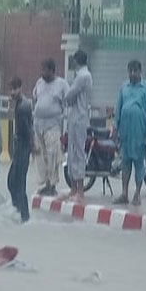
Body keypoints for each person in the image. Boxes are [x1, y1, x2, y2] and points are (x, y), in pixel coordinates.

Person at [112, 60, 146, 207]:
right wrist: (115, 127)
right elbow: (118, 107)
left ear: (140, 71)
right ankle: (124, 193)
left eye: (135, 71)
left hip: (140, 130)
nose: (132, 74)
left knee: (138, 162)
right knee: (125, 162)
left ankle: (137, 193)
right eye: (130, 71)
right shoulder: (124, 87)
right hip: (125, 130)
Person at [32, 58, 69, 197]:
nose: (43, 72)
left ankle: (52, 185)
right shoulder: (39, 83)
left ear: (52, 70)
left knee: (53, 155)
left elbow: (67, 105)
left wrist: (65, 129)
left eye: (45, 70)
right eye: (42, 69)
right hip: (38, 125)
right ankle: (45, 184)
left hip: (53, 126)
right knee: (41, 156)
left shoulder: (62, 85)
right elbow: (34, 99)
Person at [63, 50, 93, 203]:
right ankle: (73, 189)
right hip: (76, 117)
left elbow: (69, 95)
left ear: (76, 61)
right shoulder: (82, 75)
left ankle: (80, 191)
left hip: (79, 118)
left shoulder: (82, 76)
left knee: (78, 153)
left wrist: (67, 97)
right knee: (72, 153)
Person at [6, 77, 36, 222]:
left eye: (14, 89)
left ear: (20, 88)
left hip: (23, 149)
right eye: (10, 89)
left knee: (18, 182)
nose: (12, 92)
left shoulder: (23, 107)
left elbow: (27, 129)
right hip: (20, 148)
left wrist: (32, 144)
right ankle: (19, 209)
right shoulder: (20, 104)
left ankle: (24, 214)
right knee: (12, 181)